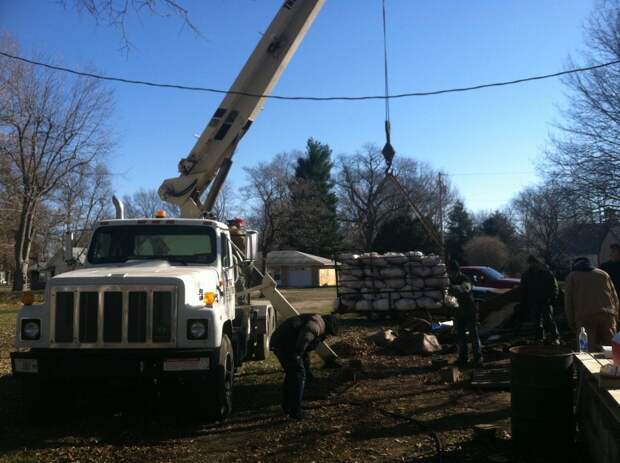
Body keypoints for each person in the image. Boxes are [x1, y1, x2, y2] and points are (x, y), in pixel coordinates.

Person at [270, 313, 339, 419]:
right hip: (286, 345)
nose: (327, 336)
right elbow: (304, 341)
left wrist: (306, 366)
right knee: (298, 375)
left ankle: (287, 407)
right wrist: (299, 358)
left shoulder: (316, 320)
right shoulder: (316, 326)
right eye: (329, 333)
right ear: (328, 327)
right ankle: (296, 412)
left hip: (280, 342)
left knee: (292, 375)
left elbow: (305, 350)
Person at [565, 257, 619, 352]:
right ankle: (613, 366)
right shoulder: (603, 274)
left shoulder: (572, 276)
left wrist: (571, 322)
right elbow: (615, 298)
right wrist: (617, 317)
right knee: (611, 351)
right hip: (608, 316)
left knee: (587, 352)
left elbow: (568, 302)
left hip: (585, 318)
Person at [448, 261, 483, 368]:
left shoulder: (465, 279)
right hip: (458, 312)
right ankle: (463, 358)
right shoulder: (450, 281)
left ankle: (478, 357)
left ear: (458, 271)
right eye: (451, 273)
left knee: (473, 335)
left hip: (469, 311)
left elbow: (466, 290)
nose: (452, 274)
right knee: (461, 337)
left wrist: (454, 289)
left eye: (454, 272)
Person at [520, 255, 560, 344]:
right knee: (536, 321)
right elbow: (523, 289)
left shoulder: (547, 273)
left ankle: (555, 337)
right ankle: (539, 338)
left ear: (537, 263)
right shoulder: (526, 275)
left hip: (546, 301)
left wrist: (552, 299)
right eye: (531, 263)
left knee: (548, 320)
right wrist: (525, 301)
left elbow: (554, 287)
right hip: (533, 301)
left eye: (534, 262)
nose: (532, 264)